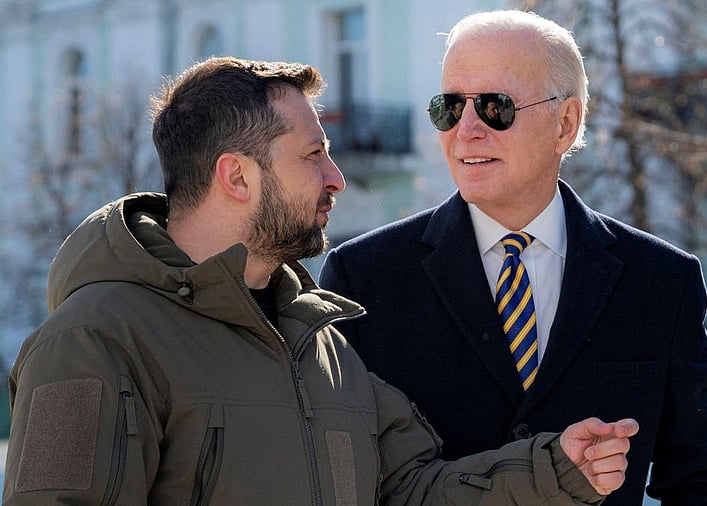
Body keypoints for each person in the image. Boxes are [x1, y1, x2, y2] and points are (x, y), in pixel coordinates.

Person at [2, 56, 639, 505]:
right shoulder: (93, 340)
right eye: (313, 155)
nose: (336, 178)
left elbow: (407, 491)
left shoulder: (320, 344)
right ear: (237, 176)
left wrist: (556, 469)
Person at [319, 10, 707, 505]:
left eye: (495, 107)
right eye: (450, 107)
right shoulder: (363, 278)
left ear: (565, 123)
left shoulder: (660, 280)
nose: (467, 129)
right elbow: (346, 480)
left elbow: (704, 478)